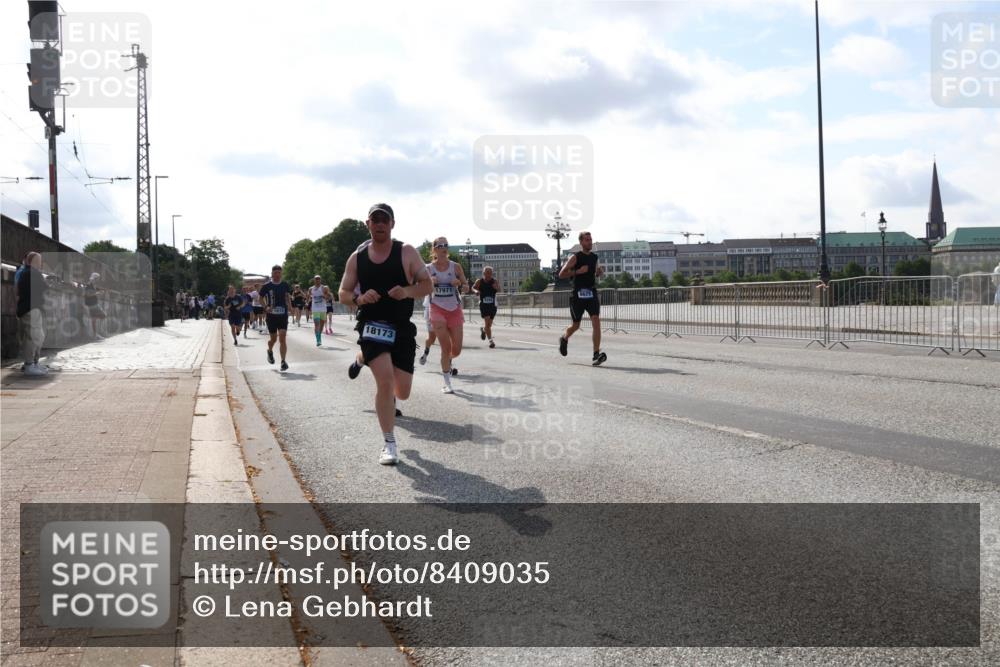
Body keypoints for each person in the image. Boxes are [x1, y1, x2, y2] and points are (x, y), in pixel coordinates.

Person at [338, 203, 432, 465]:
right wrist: (358, 298)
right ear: (367, 224)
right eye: (375, 219)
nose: (379, 224)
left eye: (384, 220)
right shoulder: (357, 257)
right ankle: (389, 443)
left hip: (401, 326)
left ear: (392, 224)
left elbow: (427, 284)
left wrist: (407, 291)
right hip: (372, 325)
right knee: (385, 382)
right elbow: (343, 292)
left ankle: (360, 358)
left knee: (402, 392)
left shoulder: (407, 252)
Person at [558, 231, 607, 366]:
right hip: (578, 295)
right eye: (587, 240)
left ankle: (596, 354)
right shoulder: (575, 257)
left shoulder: (594, 257)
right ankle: (564, 338)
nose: (590, 242)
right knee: (576, 325)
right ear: (581, 242)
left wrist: (598, 273)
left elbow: (595, 273)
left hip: (591, 292)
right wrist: (577, 271)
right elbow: (561, 274)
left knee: (596, 320)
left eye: (591, 240)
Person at [425, 237, 468, 392]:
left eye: (446, 245)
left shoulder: (455, 267)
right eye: (440, 245)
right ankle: (447, 383)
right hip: (436, 308)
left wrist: (460, 284)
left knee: (456, 349)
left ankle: (448, 359)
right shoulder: (428, 268)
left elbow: (466, 286)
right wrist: (430, 281)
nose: (444, 247)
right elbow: (419, 286)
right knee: (445, 346)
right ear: (434, 249)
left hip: (454, 309)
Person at [16, 252, 48, 376]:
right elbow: (45, 287)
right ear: (32, 261)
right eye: (38, 261)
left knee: (34, 336)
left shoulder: (25, 272)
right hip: (32, 309)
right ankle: (30, 365)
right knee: (33, 337)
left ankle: (32, 364)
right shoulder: (32, 273)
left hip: (27, 308)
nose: (40, 264)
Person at [260, 265, 293, 371]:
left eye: (279, 272)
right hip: (271, 316)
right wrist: (266, 307)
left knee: (282, 338)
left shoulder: (285, 285)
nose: (278, 275)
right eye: (276, 273)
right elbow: (260, 298)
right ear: (272, 274)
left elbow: (287, 297)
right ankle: (269, 350)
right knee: (273, 339)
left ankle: (283, 361)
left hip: (283, 315)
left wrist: (290, 307)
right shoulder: (267, 286)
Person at [472, 266, 500, 349]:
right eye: (487, 272)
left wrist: (497, 288)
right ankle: (491, 341)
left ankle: (484, 330)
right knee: (487, 322)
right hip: (484, 304)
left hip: (493, 305)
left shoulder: (494, 281)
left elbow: (499, 289)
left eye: (490, 272)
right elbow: (473, 287)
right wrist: (476, 291)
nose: (489, 274)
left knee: (489, 325)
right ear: (483, 273)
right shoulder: (479, 281)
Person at [84, 272, 107, 339]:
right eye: (97, 279)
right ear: (95, 278)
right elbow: (88, 294)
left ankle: (95, 334)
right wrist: (97, 293)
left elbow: (95, 291)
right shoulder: (89, 285)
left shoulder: (93, 285)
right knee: (103, 315)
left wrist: (100, 291)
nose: (98, 280)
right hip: (93, 304)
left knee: (95, 319)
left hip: (93, 304)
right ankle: (96, 333)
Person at [308, 275, 327, 347]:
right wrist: (308, 302)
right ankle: (318, 340)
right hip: (315, 308)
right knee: (316, 324)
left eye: (319, 279)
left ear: (320, 280)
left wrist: (323, 296)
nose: (317, 280)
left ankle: (319, 336)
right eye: (316, 279)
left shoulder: (324, 288)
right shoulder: (311, 289)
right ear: (314, 280)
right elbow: (308, 296)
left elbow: (328, 297)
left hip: (323, 308)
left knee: (321, 326)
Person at [418, 293, 436, 365]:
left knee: (447, 337)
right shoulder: (430, 281)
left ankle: (448, 364)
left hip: (447, 308)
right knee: (432, 338)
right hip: (431, 309)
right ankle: (425, 354)